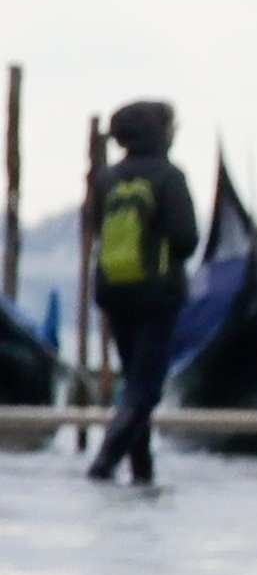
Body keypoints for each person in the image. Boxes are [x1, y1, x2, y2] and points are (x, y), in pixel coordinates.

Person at [83, 100, 199, 486]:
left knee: (132, 378)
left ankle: (142, 472)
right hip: (158, 295)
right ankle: (104, 464)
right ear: (160, 132)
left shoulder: (105, 178)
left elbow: (96, 229)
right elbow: (186, 240)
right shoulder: (169, 176)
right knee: (145, 388)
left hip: (114, 291)